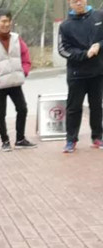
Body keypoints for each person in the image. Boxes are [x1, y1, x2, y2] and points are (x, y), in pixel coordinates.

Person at [0, 9, 37, 152]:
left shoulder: (17, 39)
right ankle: (5, 141)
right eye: (3, 21)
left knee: (22, 108)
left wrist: (24, 71)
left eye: (8, 21)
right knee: (1, 113)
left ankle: (20, 139)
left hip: (15, 82)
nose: (6, 24)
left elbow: (25, 57)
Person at [58, 0, 103, 153]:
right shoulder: (65, 26)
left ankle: (97, 137)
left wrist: (99, 45)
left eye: (81, 0)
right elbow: (63, 49)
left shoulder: (99, 16)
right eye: (74, 1)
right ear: (69, 3)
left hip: (97, 72)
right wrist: (84, 54)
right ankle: (71, 140)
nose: (78, 3)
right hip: (76, 74)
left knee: (96, 106)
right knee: (74, 108)